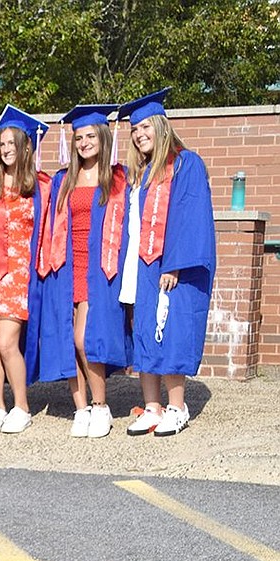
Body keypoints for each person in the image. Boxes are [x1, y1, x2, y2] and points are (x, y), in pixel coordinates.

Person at [117, 88, 216, 437]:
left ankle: (177, 406)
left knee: (171, 333)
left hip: (172, 265)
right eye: (134, 129)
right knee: (145, 331)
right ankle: (152, 407)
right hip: (142, 264)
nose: (140, 134)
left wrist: (173, 263)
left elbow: (190, 215)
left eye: (146, 127)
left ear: (161, 126)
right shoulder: (141, 172)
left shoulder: (186, 163)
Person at [32, 105, 131, 438]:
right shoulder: (64, 178)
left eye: (90, 136)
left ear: (103, 137)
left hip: (99, 268)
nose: (84, 143)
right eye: (78, 138)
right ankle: (81, 408)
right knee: (66, 339)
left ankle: (101, 406)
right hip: (65, 265)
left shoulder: (119, 177)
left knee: (84, 338)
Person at [0, 105, 50, 434]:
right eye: (1, 144)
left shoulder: (39, 185)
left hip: (20, 274)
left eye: (12, 143)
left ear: (24, 146)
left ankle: (22, 405)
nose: (6, 149)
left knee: (8, 342)